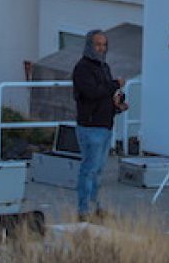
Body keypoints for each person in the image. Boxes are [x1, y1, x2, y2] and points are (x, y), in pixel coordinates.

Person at [72, 29, 128, 221]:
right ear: (89, 45)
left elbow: (104, 96)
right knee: (89, 170)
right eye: (98, 44)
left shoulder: (104, 67)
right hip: (90, 127)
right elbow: (92, 93)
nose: (101, 48)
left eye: (104, 45)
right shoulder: (82, 68)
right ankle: (84, 210)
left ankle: (95, 208)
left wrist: (118, 106)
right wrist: (114, 84)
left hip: (105, 125)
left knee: (98, 171)